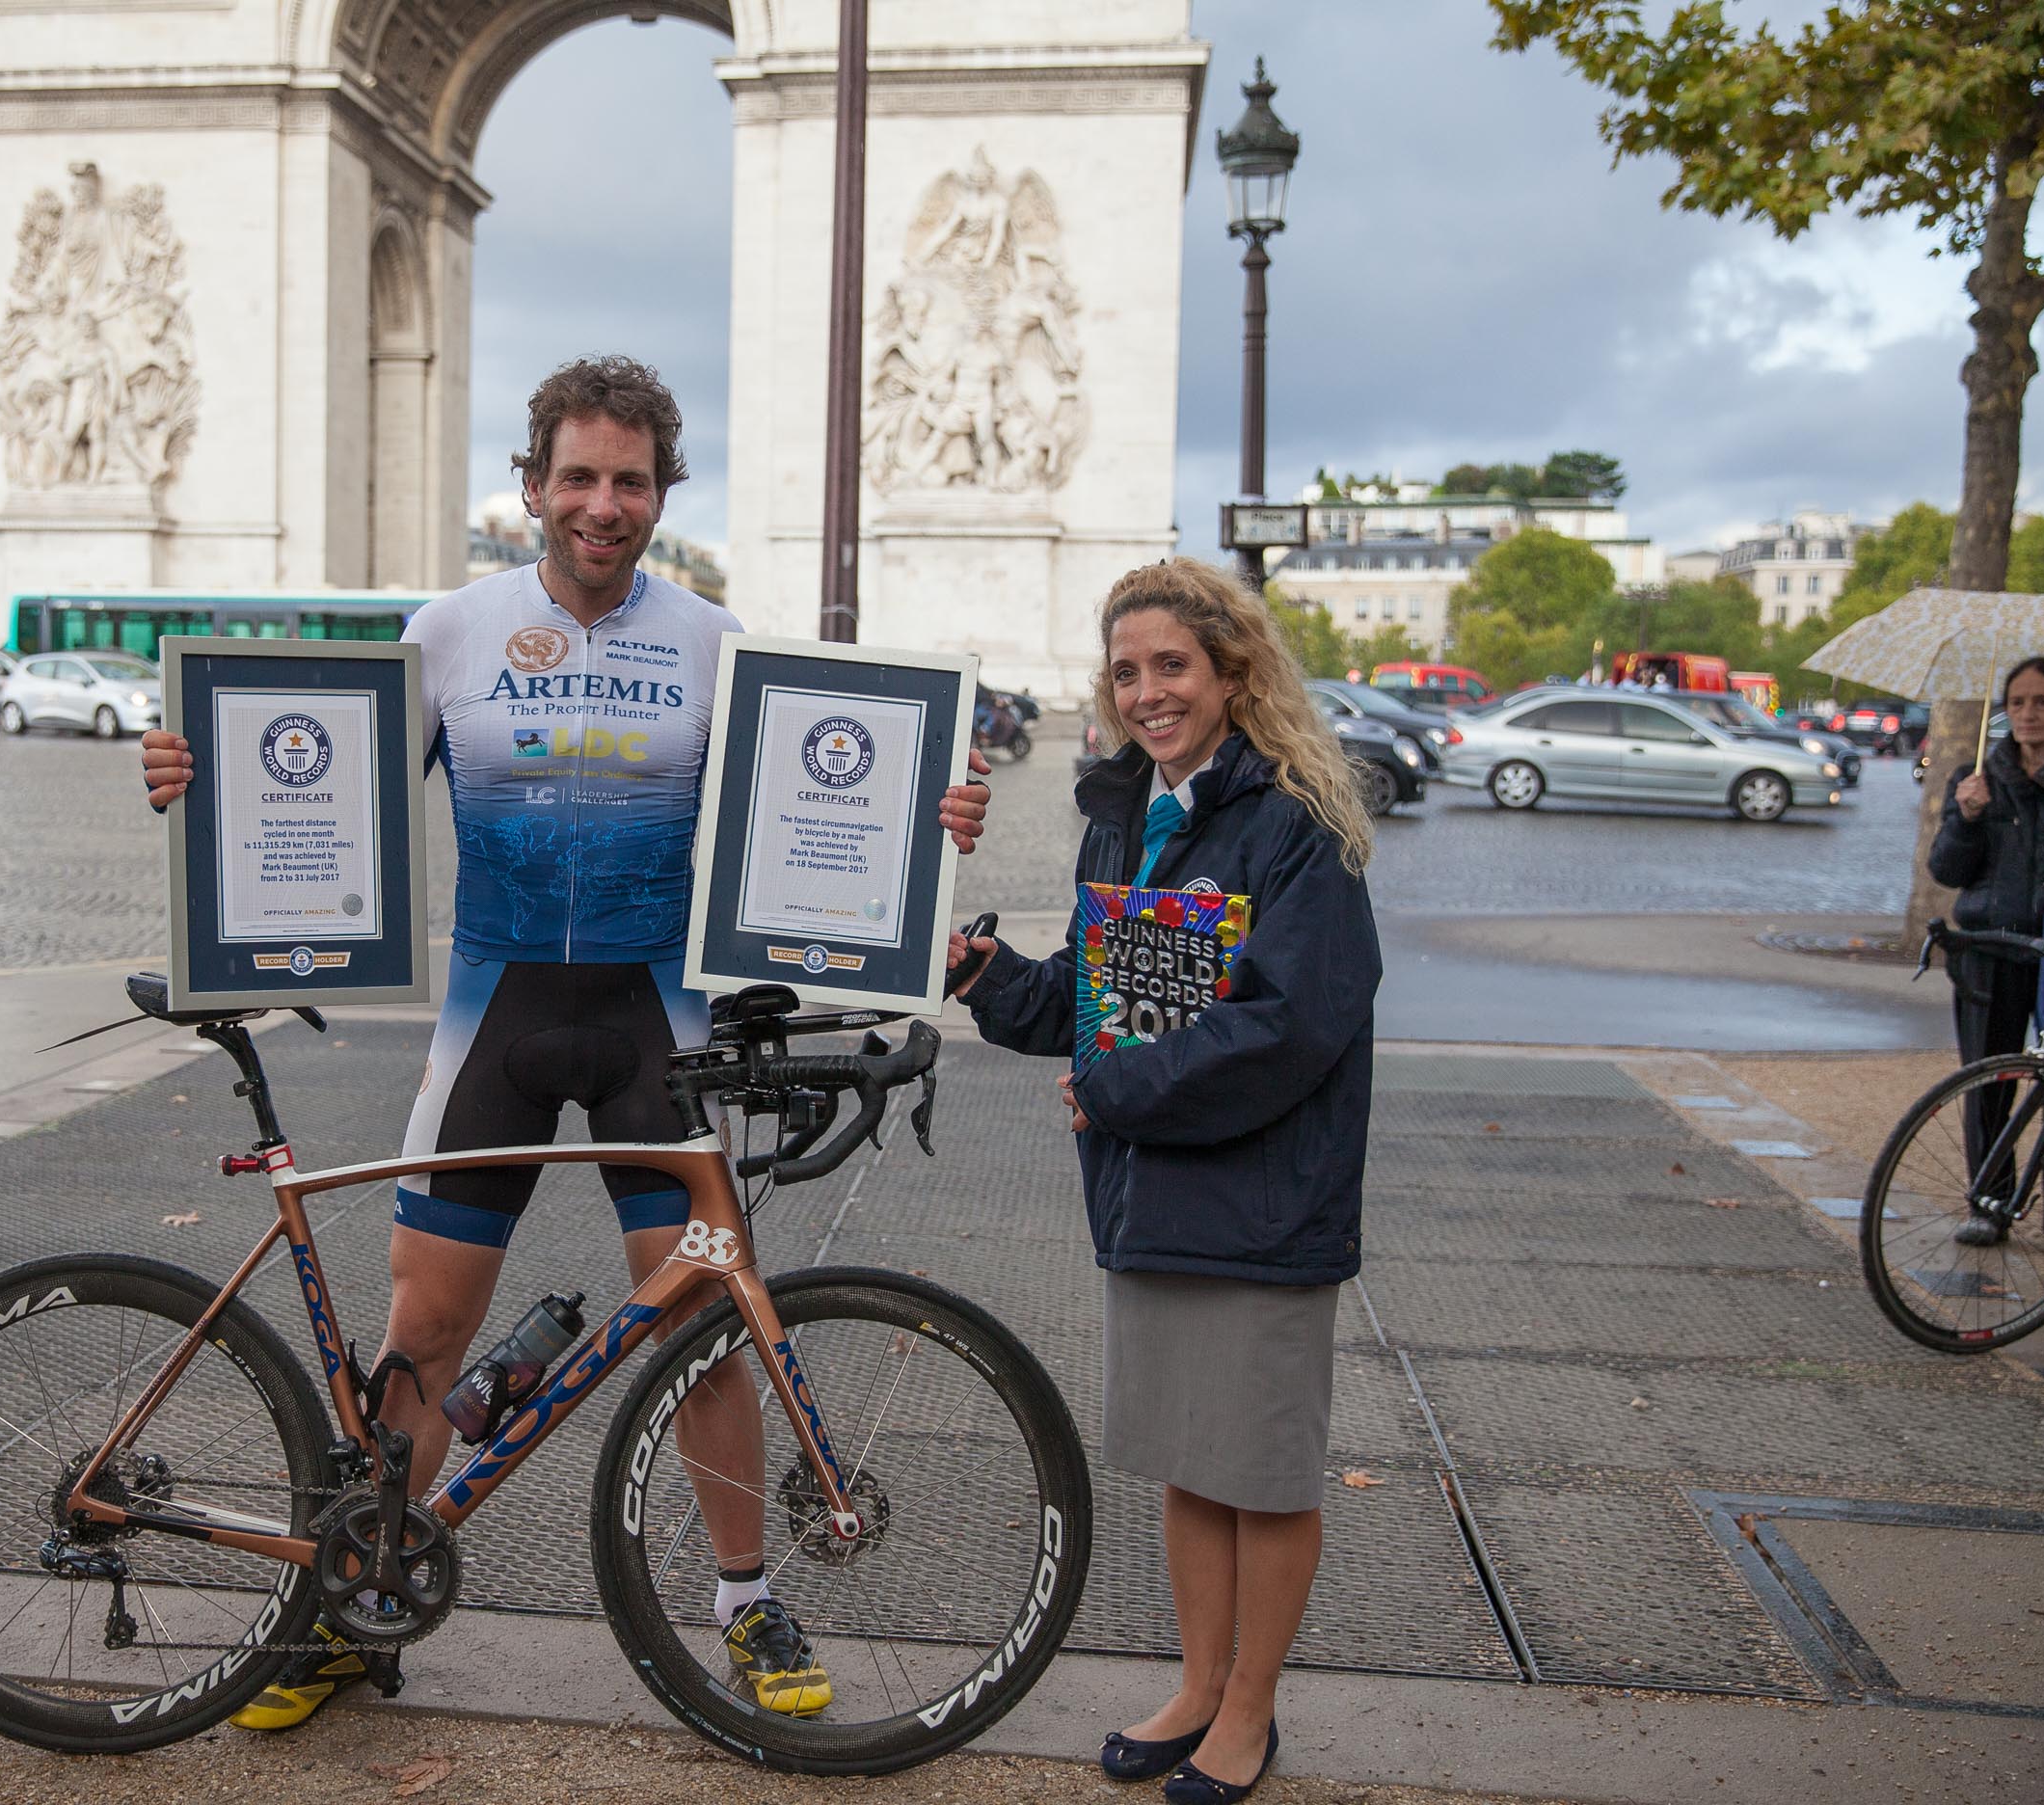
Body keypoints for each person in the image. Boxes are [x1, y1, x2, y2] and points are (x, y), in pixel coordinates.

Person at [139, 356, 990, 1731]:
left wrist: (923, 831)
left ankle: (744, 1600)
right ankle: (353, 1602)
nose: (604, 505)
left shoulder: (717, 646)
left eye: (632, 480)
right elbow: (318, 787)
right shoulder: (452, 629)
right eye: (579, 477)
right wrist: (197, 780)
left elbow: (812, 825)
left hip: (661, 1024)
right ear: (532, 486)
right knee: (428, 1322)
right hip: (499, 1018)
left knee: (705, 1327)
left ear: (662, 494)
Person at [947, 558, 1378, 1801]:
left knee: (1265, 1472)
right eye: (1128, 670)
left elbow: (1293, 1027)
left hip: (1263, 1200)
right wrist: (989, 978)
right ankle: (1196, 1684)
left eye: (1172, 666)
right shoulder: (1124, 812)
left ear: (1234, 672)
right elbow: (1100, 1009)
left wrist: (1115, 1090)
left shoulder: (1297, 819)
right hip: (1149, 1193)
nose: (1148, 692)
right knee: (1191, 1458)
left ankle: (1250, 1712)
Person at [1927, 656, 2044, 1246]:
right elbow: (1949, 871)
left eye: (2042, 702)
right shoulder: (1976, 775)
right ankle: (1989, 1200)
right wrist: (1965, 816)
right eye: (2018, 702)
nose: (2027, 714)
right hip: (1992, 946)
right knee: (1987, 1083)